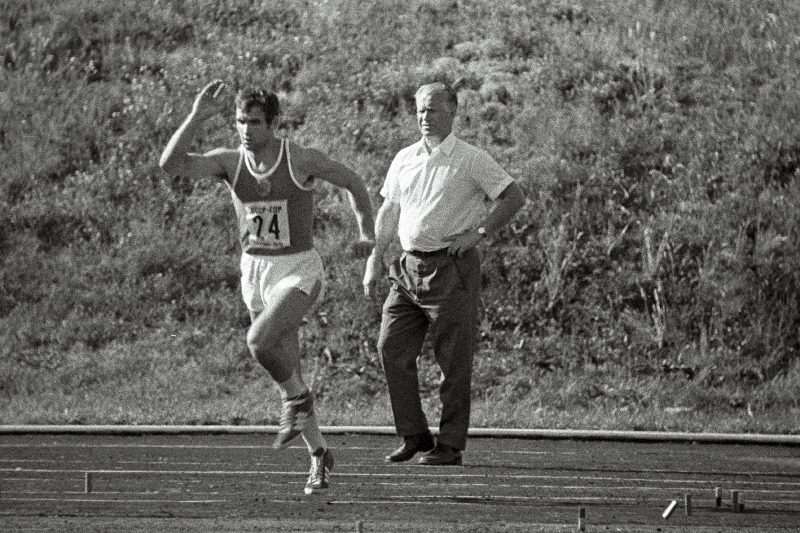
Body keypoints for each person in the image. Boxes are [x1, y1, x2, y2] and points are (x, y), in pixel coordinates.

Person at [159, 80, 375, 494]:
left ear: (275, 123)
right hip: (255, 273)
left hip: (297, 271)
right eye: (240, 121)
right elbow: (170, 165)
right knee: (288, 374)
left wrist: (365, 229)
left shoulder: (300, 159)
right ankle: (320, 456)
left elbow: (353, 182)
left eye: (255, 122)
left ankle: (297, 402)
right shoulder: (229, 162)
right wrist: (196, 116)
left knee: (259, 343)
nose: (245, 129)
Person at [363, 82, 525, 466]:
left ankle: (450, 444)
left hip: (450, 269)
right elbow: (389, 211)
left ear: (452, 112)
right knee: (391, 347)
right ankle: (414, 434)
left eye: (433, 110)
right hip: (406, 268)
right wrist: (375, 257)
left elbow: (513, 196)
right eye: (420, 110)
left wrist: (479, 233)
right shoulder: (404, 158)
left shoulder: (470, 159)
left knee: (453, 360)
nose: (425, 117)